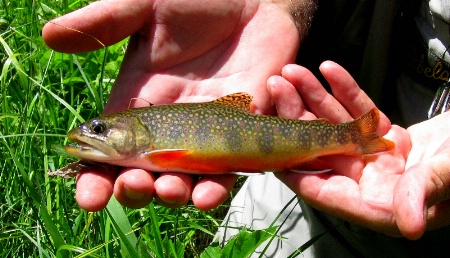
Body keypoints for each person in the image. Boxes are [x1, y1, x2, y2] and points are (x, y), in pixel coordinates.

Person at [42, 0, 450, 256]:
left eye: (99, 129)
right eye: (97, 130)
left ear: (131, 131)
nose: (89, 135)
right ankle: (348, 143)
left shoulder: (155, 149)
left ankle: (350, 141)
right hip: (307, 182)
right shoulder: (148, 139)